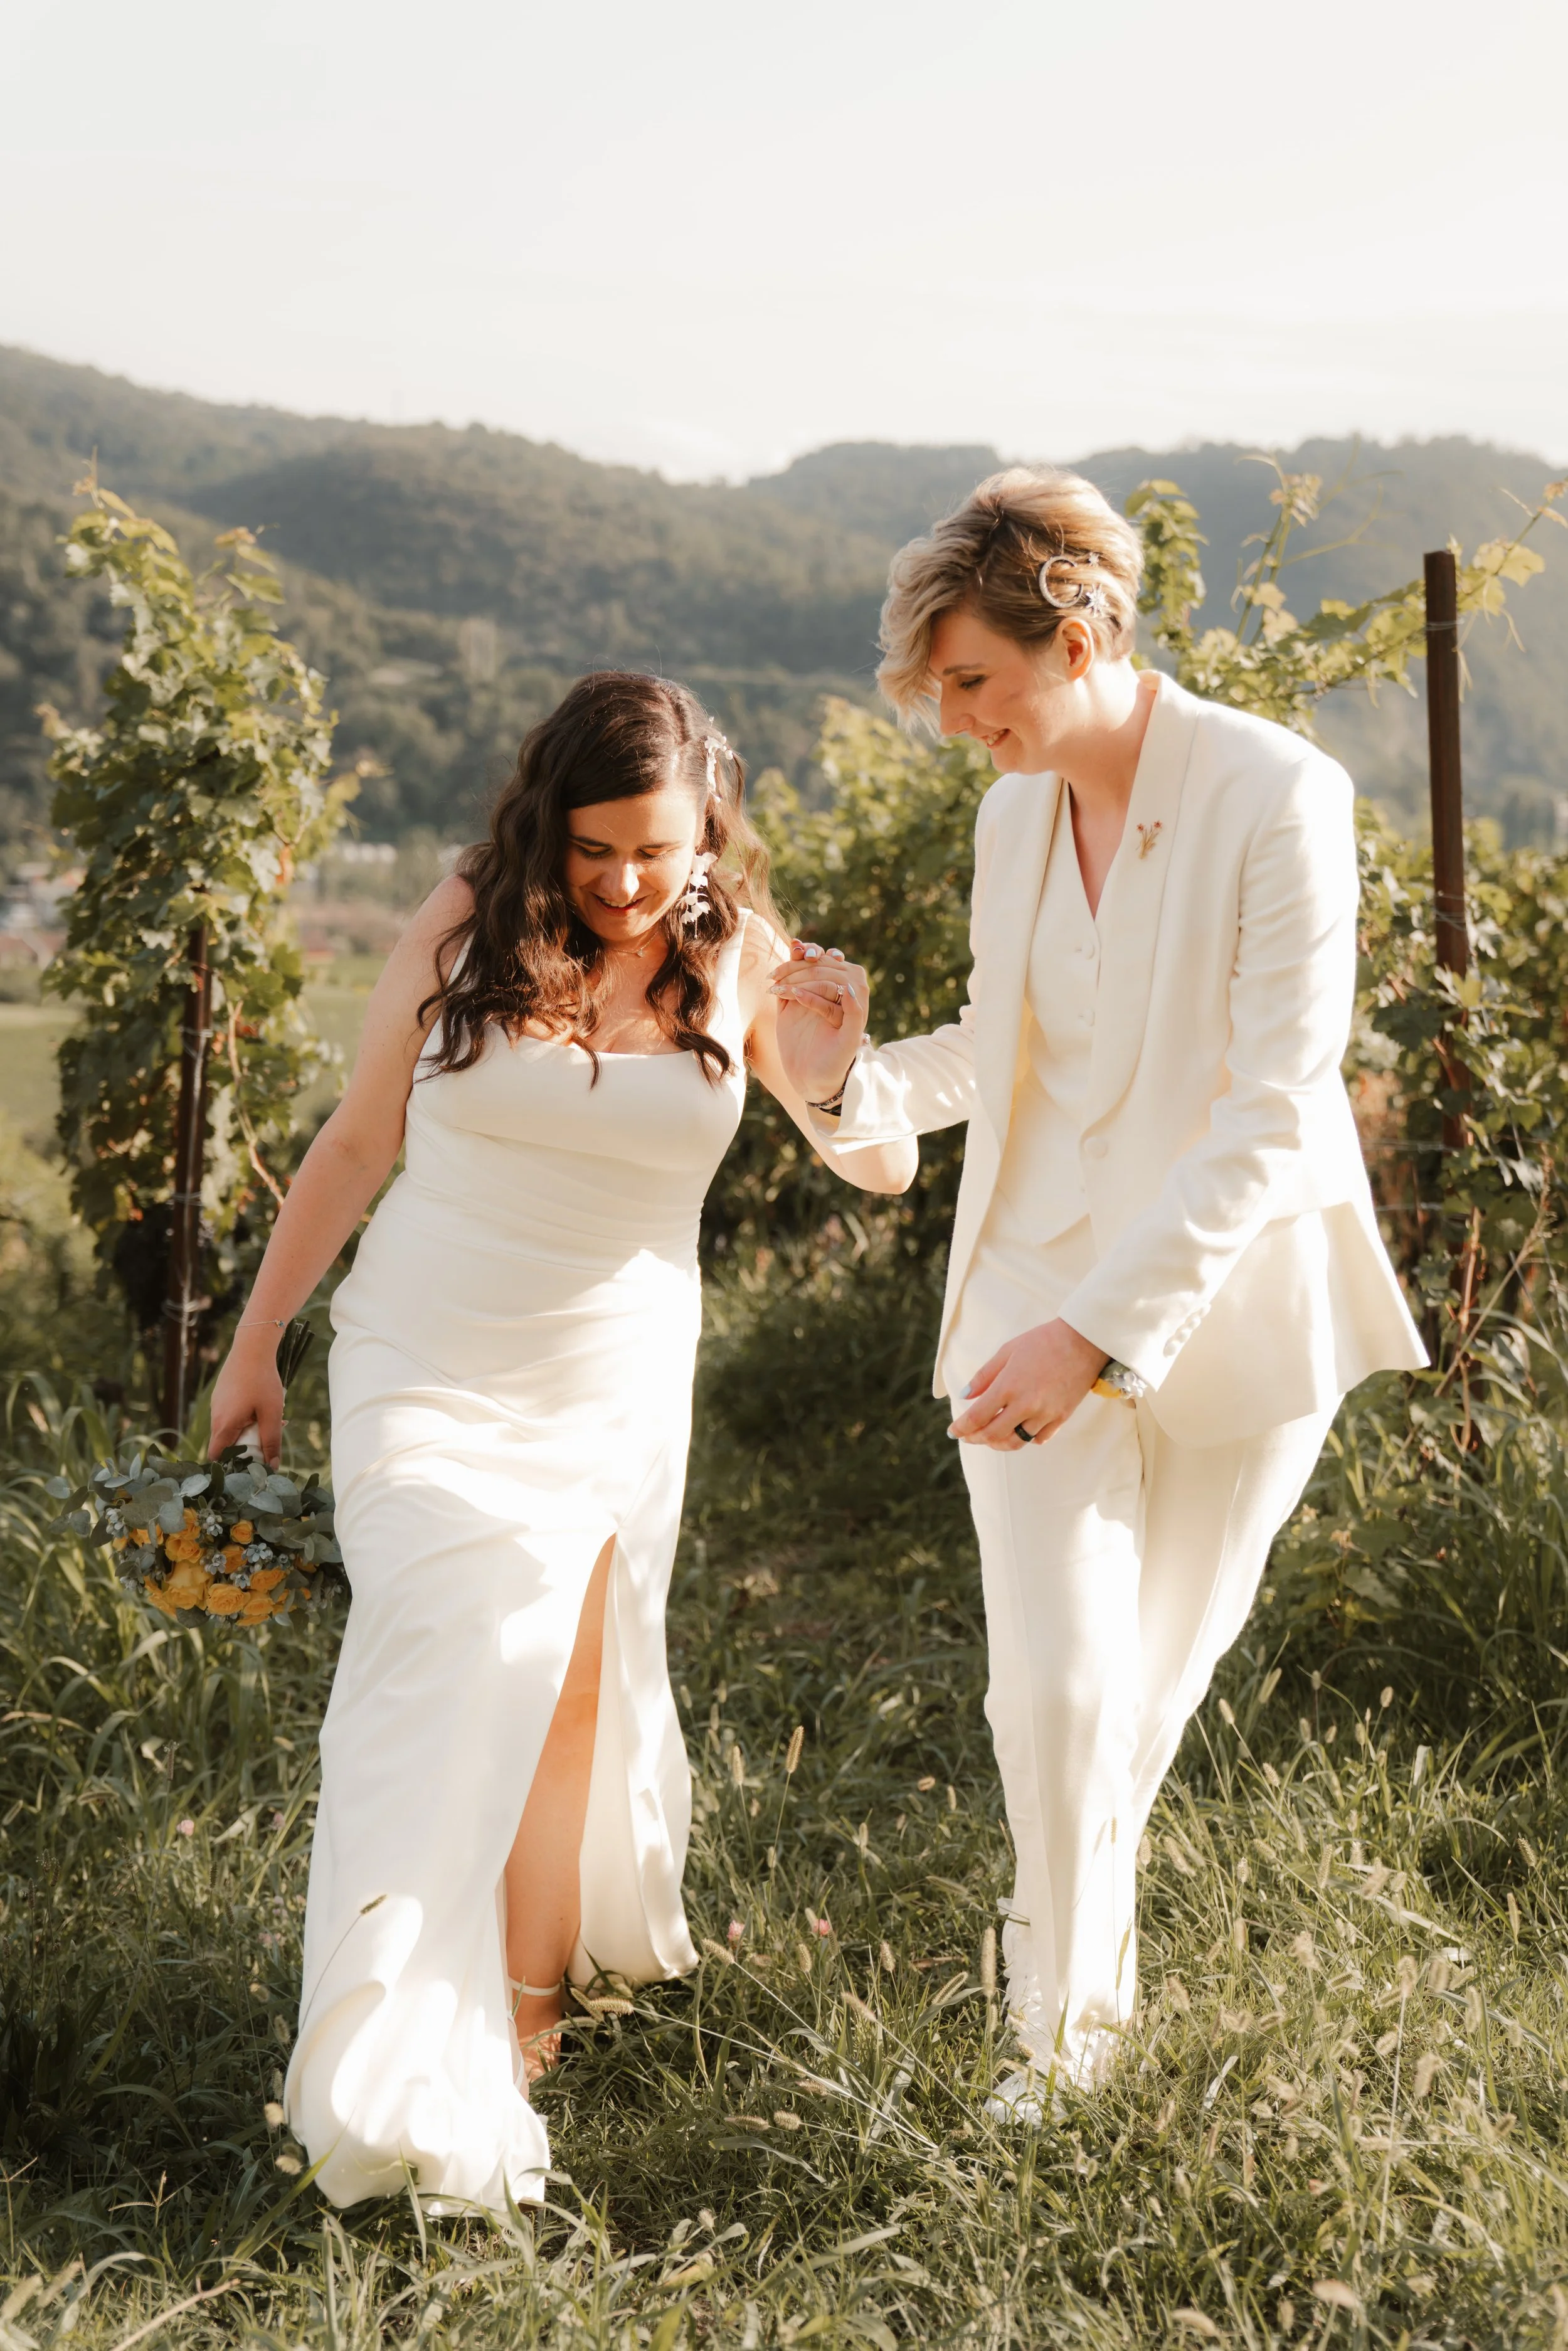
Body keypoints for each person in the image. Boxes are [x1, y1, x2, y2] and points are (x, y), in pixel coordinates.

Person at [208, 672, 914, 2215]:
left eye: (653, 850)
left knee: (571, 1686)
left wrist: (836, 1058)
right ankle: (382, 2031)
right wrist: (257, 1339)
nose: (621, 882)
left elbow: (876, 1165)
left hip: (611, 1376)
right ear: (549, 822)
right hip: (422, 1353)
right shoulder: (469, 919)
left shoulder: (739, 953)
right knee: (445, 1631)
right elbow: (359, 1137)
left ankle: (525, 2014)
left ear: (706, 828)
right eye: (592, 849)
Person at [770, 469, 1426, 2119]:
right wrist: (839, 1075)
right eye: (936, 690)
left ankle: (1070, 1989)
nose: (952, 720)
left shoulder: (1277, 792)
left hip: (1232, 1305)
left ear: (1079, 635)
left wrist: (1102, 1334)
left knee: (1140, 1696)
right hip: (1025, 1279)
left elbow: (1272, 1110)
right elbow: (1000, 1048)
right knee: (1050, 1691)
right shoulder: (1008, 816)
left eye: (970, 680)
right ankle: (1055, 2052)